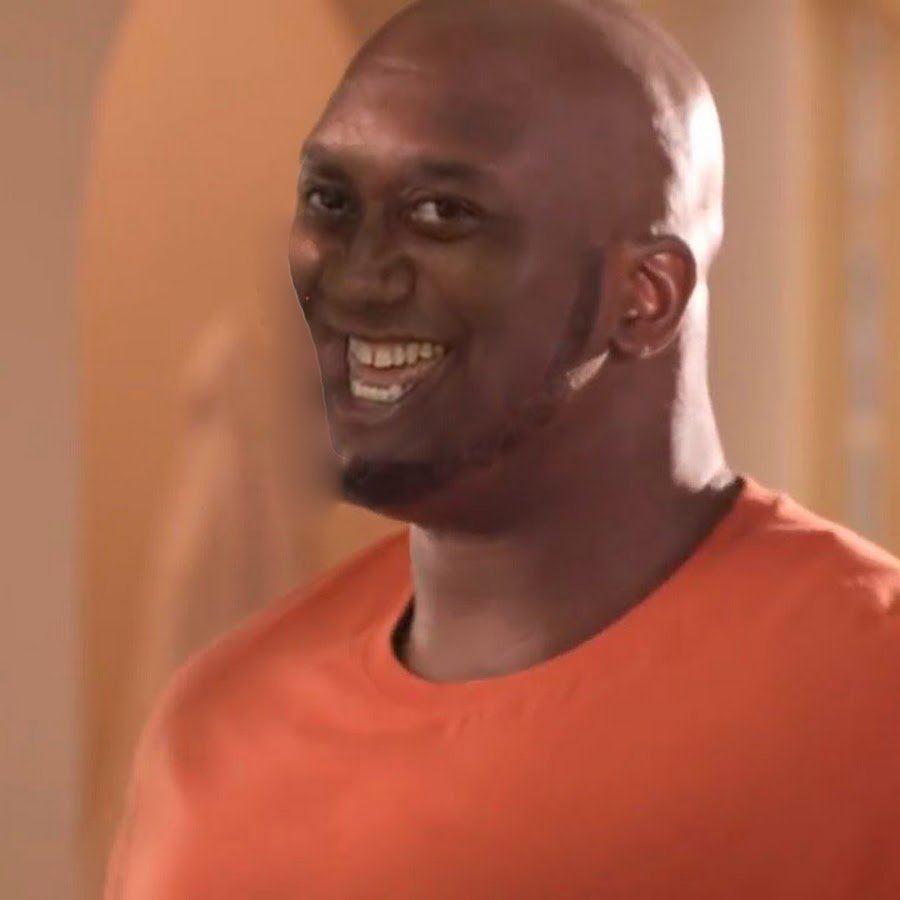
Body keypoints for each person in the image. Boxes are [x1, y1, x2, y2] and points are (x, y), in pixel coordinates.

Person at [105, 1, 900, 897]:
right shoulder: (216, 729)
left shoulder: (874, 696)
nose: (356, 278)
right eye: (330, 201)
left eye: (442, 213)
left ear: (647, 294)